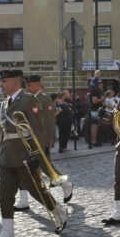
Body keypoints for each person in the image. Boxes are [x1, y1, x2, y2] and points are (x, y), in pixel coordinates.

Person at [0, 70, 68, 237]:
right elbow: (3, 133)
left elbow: (38, 130)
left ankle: (58, 211)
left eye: (4, 81)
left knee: (36, 191)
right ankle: (7, 232)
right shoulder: (5, 102)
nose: (1, 85)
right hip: (7, 155)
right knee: (5, 194)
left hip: (24, 154)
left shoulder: (29, 100)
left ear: (15, 82)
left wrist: (36, 156)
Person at [15, 75, 73, 208]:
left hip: (40, 141)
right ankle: (23, 200)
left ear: (37, 85)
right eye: (26, 85)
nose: (27, 88)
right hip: (28, 140)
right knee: (23, 168)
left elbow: (49, 123)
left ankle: (66, 185)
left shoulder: (45, 100)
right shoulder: (27, 99)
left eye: (30, 85)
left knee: (46, 168)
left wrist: (46, 143)